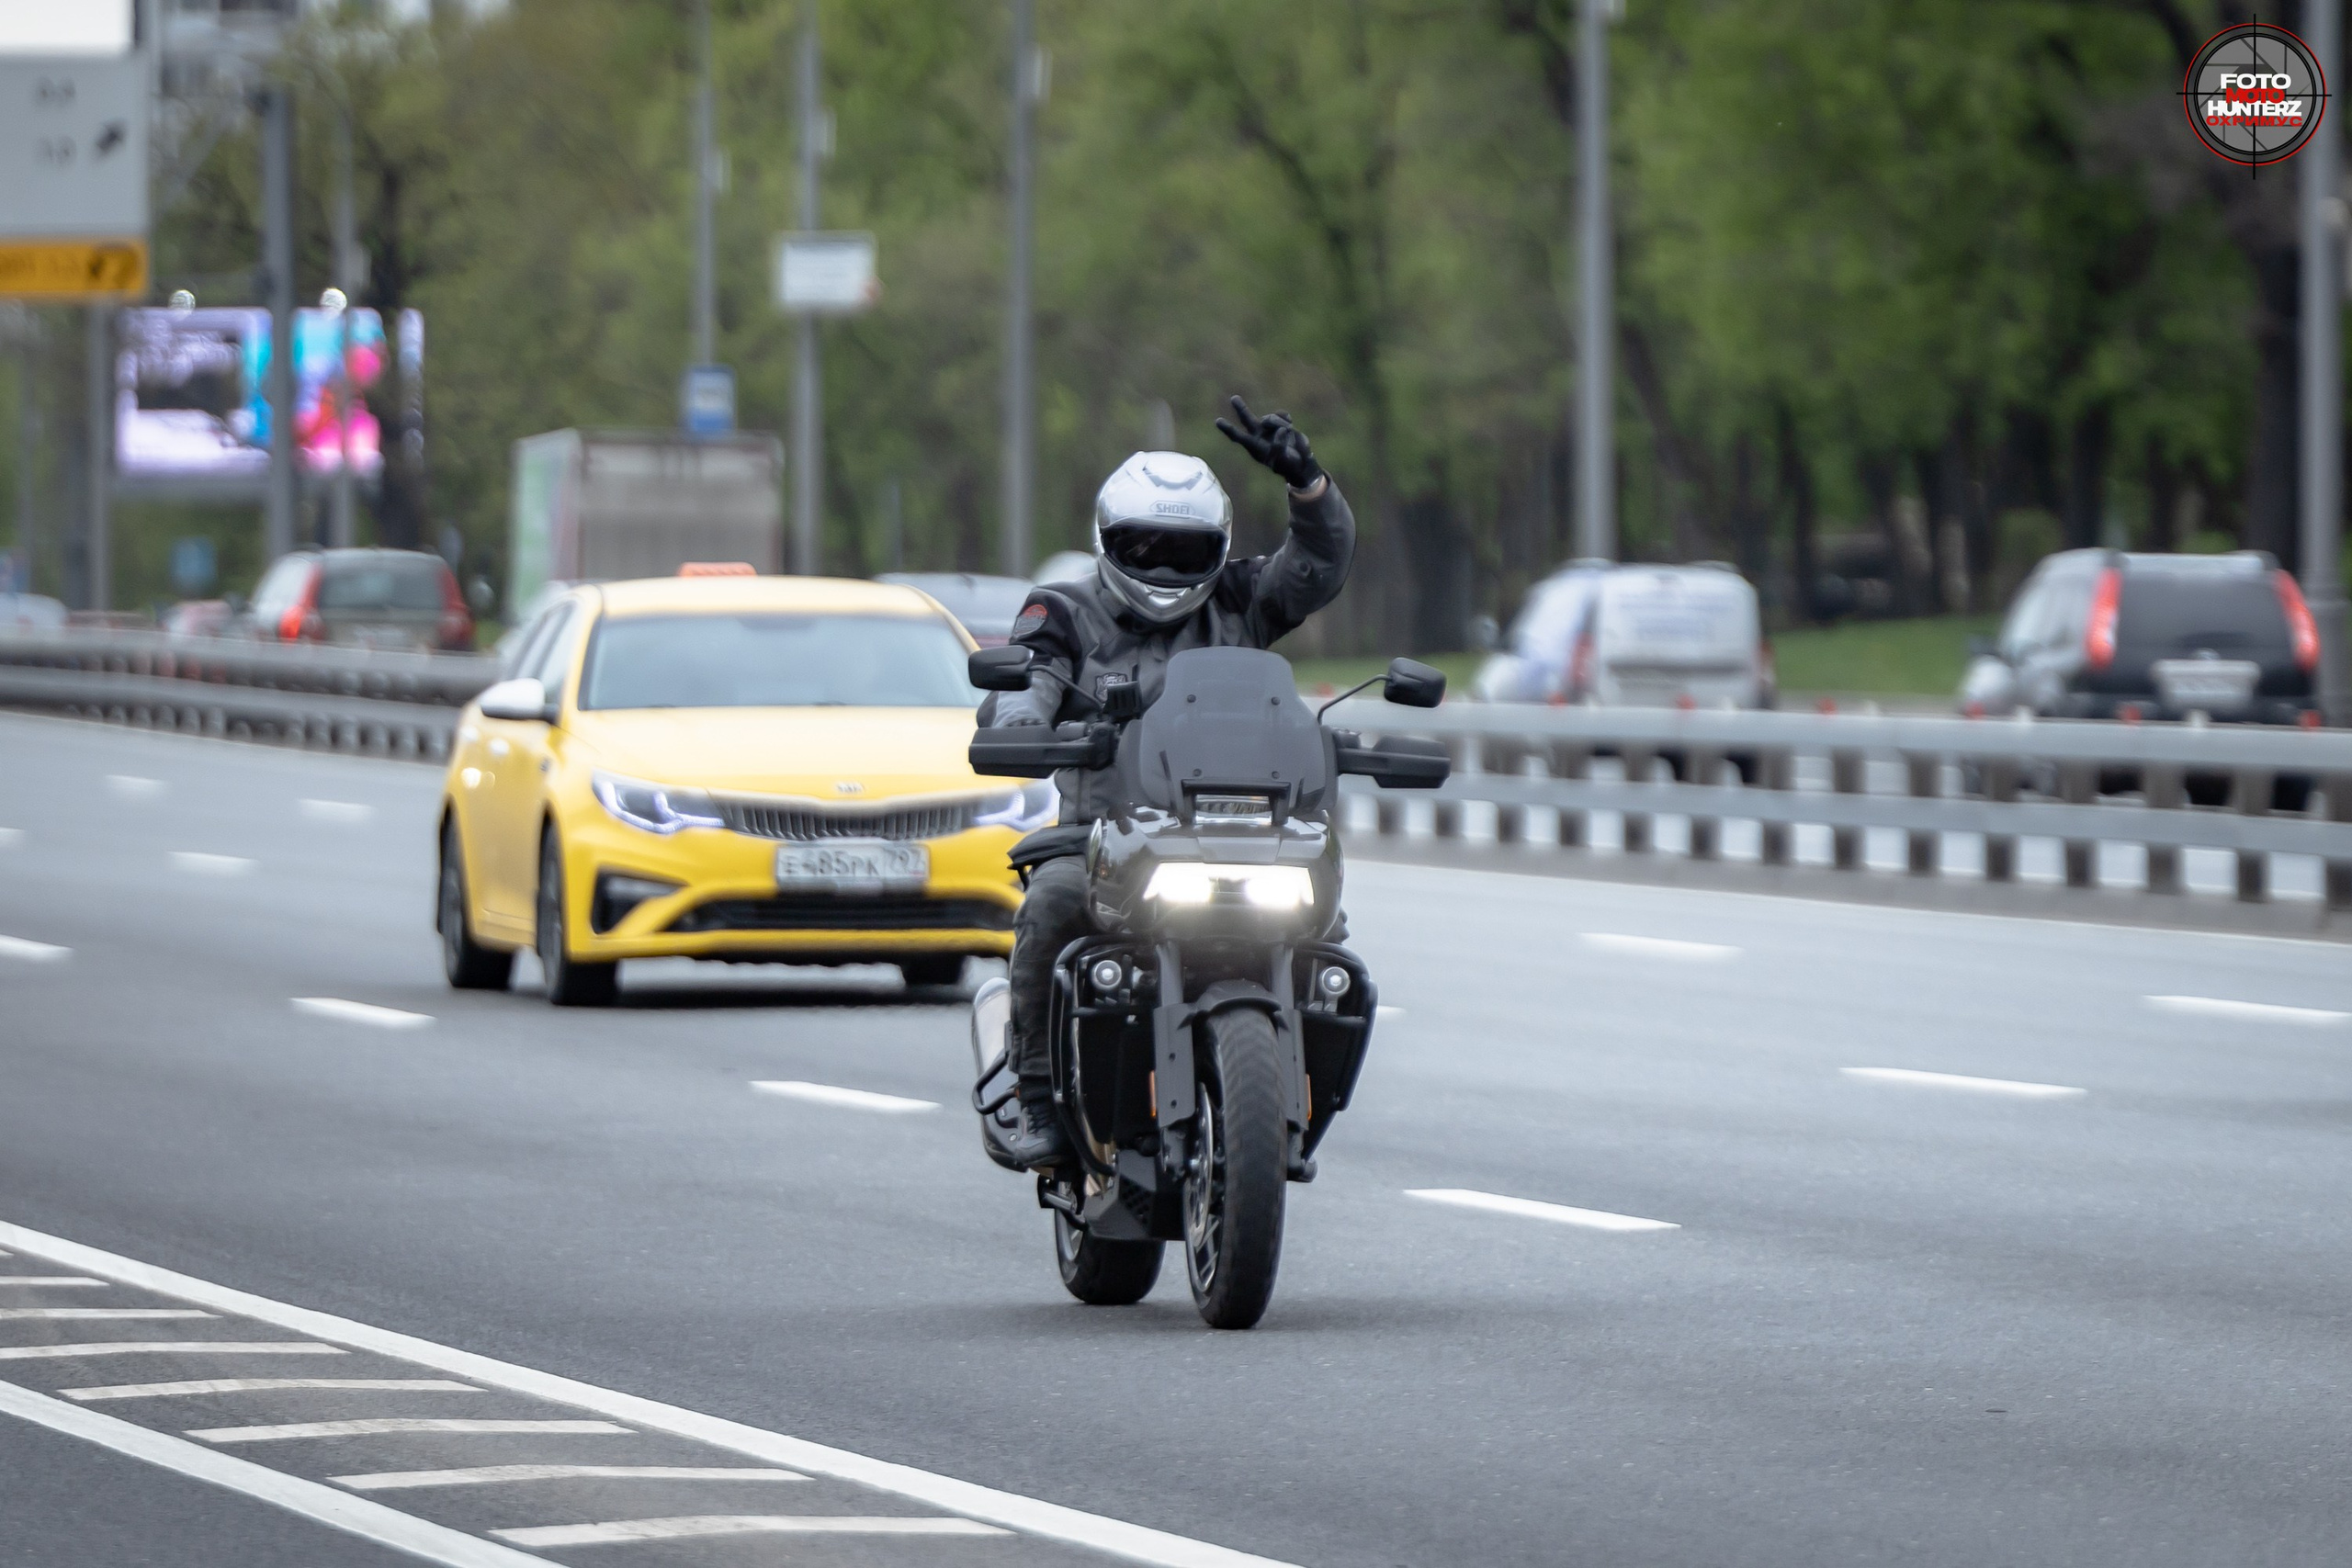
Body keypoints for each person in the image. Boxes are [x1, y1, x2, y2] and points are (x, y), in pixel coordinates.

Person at [988, 397, 1355, 1168]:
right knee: (1050, 903)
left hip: (1243, 824)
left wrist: (1309, 484)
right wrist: (1026, 726)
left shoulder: (1240, 597)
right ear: (1106, 540)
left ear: (1217, 549)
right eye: (1141, 543)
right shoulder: (1061, 608)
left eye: (1183, 548)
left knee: (1328, 927)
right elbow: (1026, 681)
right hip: (1102, 834)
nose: (1160, 562)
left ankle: (1295, 1092)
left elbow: (1317, 569)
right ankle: (1037, 1097)